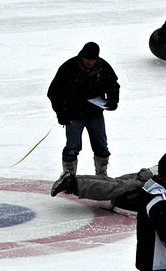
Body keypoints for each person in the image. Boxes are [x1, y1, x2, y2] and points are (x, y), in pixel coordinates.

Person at [47, 41, 120, 195]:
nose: (90, 63)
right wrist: (61, 113)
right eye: (88, 60)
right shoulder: (68, 67)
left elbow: (113, 85)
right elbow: (54, 92)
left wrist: (113, 100)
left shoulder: (102, 66)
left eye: (93, 60)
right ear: (82, 56)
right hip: (73, 115)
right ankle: (68, 178)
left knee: (101, 146)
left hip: (95, 114)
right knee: (72, 147)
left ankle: (102, 175)